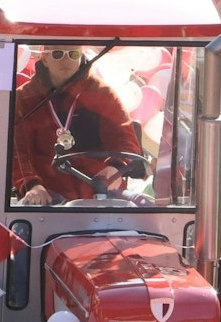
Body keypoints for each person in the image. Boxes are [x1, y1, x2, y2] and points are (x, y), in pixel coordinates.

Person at [10, 44, 140, 205]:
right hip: (49, 196)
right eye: (58, 53)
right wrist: (32, 185)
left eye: (73, 54)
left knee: (142, 206)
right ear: (44, 58)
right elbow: (16, 150)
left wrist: (115, 168)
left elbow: (124, 139)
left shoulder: (102, 93)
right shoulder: (24, 98)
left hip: (100, 193)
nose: (66, 60)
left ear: (81, 55)